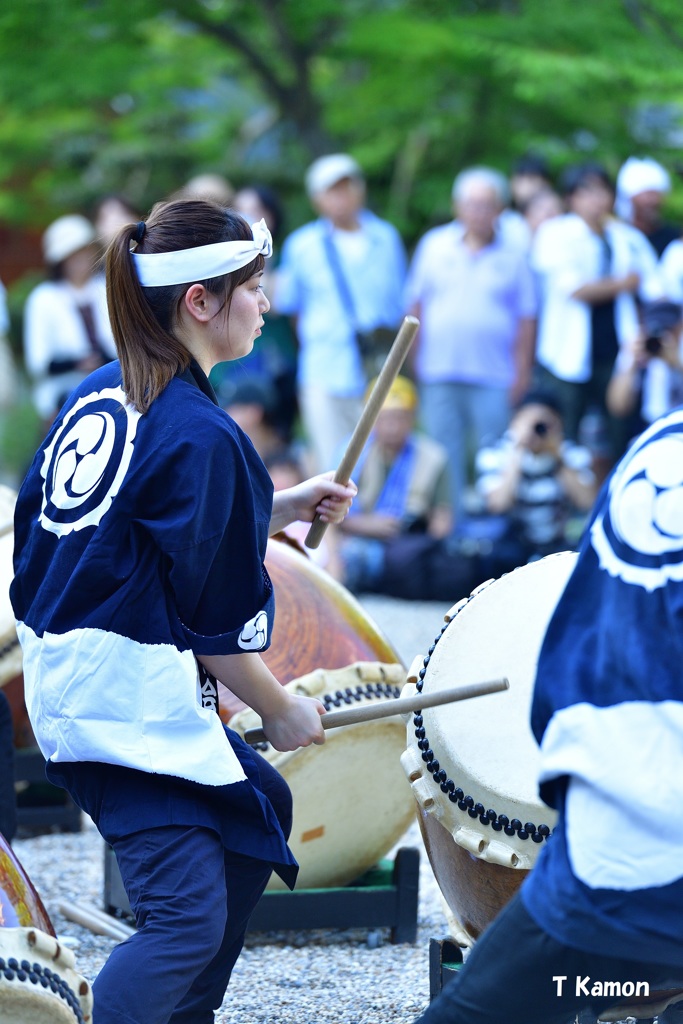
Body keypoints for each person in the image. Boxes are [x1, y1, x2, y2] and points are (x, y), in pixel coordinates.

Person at [10, 199, 355, 1024]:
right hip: (126, 703)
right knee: (185, 919)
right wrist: (282, 709)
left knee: (253, 816)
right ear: (200, 301)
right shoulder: (207, 436)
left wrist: (272, 506)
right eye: (254, 286)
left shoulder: (107, 391)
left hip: (65, 677)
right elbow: (216, 635)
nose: (266, 302)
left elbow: (126, 526)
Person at [414, 403, 683, 1024]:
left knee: (483, 1009)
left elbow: (571, 668)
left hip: (607, 844)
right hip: (635, 849)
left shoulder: (655, 450)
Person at [405, 165, 538, 523]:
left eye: (486, 204)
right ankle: (452, 534)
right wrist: (415, 362)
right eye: (471, 203)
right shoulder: (434, 246)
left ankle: (493, 536)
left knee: (494, 455)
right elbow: (415, 307)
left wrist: (522, 373)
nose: (478, 211)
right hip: (439, 369)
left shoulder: (515, 255)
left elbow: (527, 320)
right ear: (457, 207)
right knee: (442, 456)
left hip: (495, 374)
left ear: (499, 209)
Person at [274, 153, 407, 472]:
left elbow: (401, 306)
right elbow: (291, 308)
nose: (341, 197)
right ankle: (334, 526)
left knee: (377, 464)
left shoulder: (386, 239)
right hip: (324, 367)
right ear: (316, 198)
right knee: (331, 464)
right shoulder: (302, 245)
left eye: (347, 187)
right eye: (332, 190)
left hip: (378, 369)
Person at [531, 161, 663, 462]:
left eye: (602, 190)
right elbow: (576, 290)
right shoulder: (555, 233)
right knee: (564, 436)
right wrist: (623, 283)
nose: (596, 199)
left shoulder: (626, 237)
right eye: (586, 192)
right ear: (571, 198)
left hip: (617, 350)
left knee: (618, 433)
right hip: (565, 353)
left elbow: (654, 287)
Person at [332, 375, 458, 599]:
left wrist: (415, 532)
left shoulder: (433, 457)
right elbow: (328, 511)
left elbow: (442, 521)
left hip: (405, 546)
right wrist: (368, 525)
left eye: (400, 418)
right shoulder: (351, 453)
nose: (392, 427)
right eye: (384, 418)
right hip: (357, 538)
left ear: (413, 419)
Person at [475, 389, 596, 571]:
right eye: (528, 421)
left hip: (560, 545)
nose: (536, 430)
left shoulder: (571, 454)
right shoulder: (497, 453)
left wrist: (557, 457)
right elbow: (497, 504)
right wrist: (518, 451)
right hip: (514, 544)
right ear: (514, 421)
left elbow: (588, 502)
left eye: (543, 423)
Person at [23, 214, 118, 427]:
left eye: (84, 252)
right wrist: (77, 363)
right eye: (73, 255)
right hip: (63, 396)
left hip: (114, 386)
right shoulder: (44, 298)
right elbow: (38, 361)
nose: (81, 260)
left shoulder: (104, 288)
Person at [607, 298, 683, 437]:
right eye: (658, 329)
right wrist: (631, 365)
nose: (662, 337)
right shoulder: (638, 346)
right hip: (647, 428)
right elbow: (618, 407)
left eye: (669, 329)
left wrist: (676, 363)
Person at [616, 156, 679, 257]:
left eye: (656, 194)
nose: (652, 201)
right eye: (646, 195)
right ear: (630, 198)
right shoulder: (617, 237)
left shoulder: (674, 237)